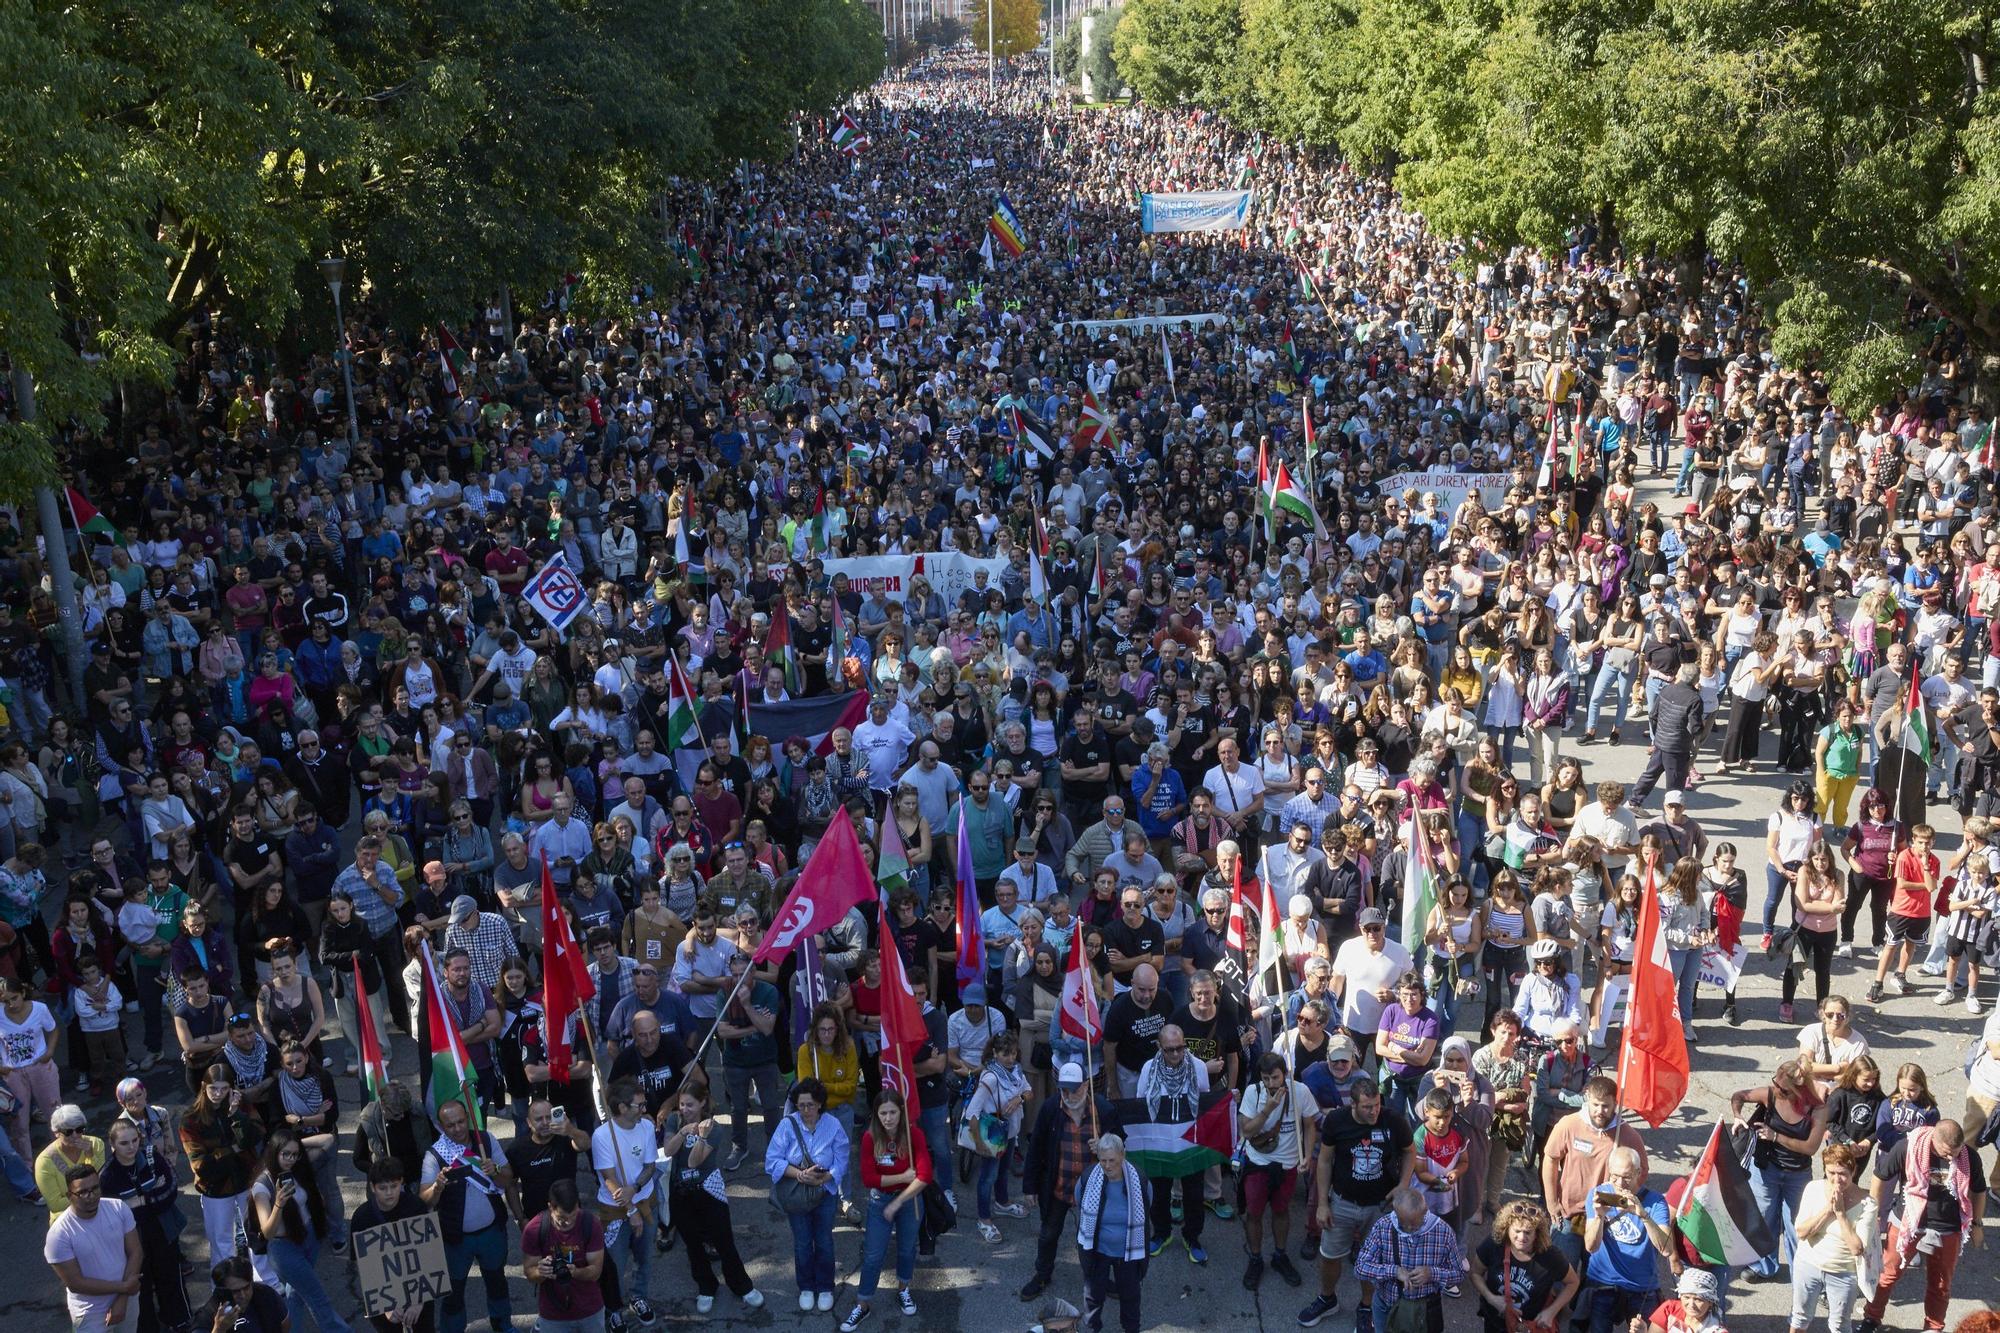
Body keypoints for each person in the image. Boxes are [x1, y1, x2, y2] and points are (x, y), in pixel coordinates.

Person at [1298, 1078, 1415, 1328]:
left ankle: (1366, 1306)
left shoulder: (1393, 1120)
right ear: (1353, 1104)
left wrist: (1403, 1184)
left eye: (1376, 1105)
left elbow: (1409, 1151)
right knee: (1330, 1255)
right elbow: (1325, 1161)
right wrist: (1322, 1203)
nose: (1374, 1111)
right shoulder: (1336, 1121)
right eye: (1367, 1107)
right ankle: (1328, 1298)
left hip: (1380, 1205)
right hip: (1342, 1202)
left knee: (1373, 1260)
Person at [1858, 1119, 1987, 1333]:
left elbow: (1979, 1190)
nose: (1951, 1157)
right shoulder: (1908, 1146)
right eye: (1946, 1153)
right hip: (1908, 1219)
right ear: (1934, 1139)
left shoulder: (1968, 1156)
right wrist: (1872, 1214)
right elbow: (1880, 1177)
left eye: (1955, 1152)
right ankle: (1871, 1317)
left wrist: (1977, 1224)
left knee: (1940, 1284)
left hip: (1948, 1227)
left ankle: (1933, 1327)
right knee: (1888, 1273)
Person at [661, 1081, 762, 1315]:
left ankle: (741, 1286)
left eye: (690, 1105)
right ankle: (706, 1287)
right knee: (693, 1244)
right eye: (681, 1104)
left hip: (707, 1188)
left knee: (724, 1241)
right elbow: (668, 1151)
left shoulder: (713, 1127)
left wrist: (702, 1137)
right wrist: (683, 1131)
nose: (684, 1110)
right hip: (681, 1190)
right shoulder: (675, 1121)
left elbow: (694, 1161)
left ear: (703, 1103)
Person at [1021, 1061, 1118, 1303]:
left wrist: (1105, 1143)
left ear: (1086, 1085)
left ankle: (1100, 1279)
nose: (1069, 1095)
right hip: (1059, 1186)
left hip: (1092, 1192)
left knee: (1094, 1238)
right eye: (1064, 1090)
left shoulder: (1103, 1111)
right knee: (1048, 1234)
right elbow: (1035, 1149)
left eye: (1074, 1089)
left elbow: (1121, 1146)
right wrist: (1030, 1187)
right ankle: (1042, 1275)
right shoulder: (1051, 1109)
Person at [418, 1097, 516, 1333]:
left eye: (461, 1122)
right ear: (441, 1127)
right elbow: (424, 1200)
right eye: (450, 1125)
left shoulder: (486, 1140)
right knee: (453, 1291)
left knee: (497, 1282)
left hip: (491, 1232)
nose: (458, 1128)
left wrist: (496, 1171)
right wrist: (438, 1187)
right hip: (455, 1239)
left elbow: (508, 1178)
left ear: (468, 1119)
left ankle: (502, 1324)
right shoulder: (435, 1155)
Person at [1731, 1056, 1829, 1279]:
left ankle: (1801, 1273)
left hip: (1797, 1174)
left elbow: (1810, 1148)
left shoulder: (1817, 1108)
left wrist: (1776, 1136)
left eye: (1783, 1090)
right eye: (1776, 1083)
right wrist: (1737, 1117)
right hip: (1766, 1169)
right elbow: (1739, 1096)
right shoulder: (1770, 1094)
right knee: (1765, 1218)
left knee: (1797, 1225)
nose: (1777, 1091)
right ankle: (1764, 1265)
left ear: (1799, 1090)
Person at [840, 1089, 929, 1330]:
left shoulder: (914, 1136)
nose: (888, 1118)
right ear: (876, 1115)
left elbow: (924, 1176)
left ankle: (903, 1288)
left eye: (892, 1112)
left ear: (901, 1112)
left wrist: (899, 1201)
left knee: (907, 1249)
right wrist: (902, 1176)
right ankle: (863, 1304)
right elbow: (869, 1178)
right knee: (873, 1255)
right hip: (880, 1201)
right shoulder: (870, 1138)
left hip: (909, 1201)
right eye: (883, 1113)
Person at [249, 1127, 351, 1333]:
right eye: (284, 1154)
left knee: (296, 1295)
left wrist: (295, 1145)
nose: (290, 1159)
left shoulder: (296, 1169)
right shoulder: (262, 1186)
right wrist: (278, 1203)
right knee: (318, 1298)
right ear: (274, 1151)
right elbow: (267, 1232)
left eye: (294, 1155)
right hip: (284, 1250)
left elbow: (328, 1140)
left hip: (309, 1239)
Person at [1238, 1050, 1319, 1290]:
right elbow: (1247, 1132)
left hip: (1287, 1164)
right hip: (1258, 1163)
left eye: (1275, 1077)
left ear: (1285, 1074)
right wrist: (1267, 1110)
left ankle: (1280, 1255)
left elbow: (1309, 1125)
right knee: (1254, 1213)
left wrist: (1306, 1156)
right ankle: (1255, 1258)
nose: (1271, 1084)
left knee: (1281, 1211)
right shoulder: (1253, 1093)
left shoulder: (1300, 1091)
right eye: (1266, 1078)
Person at [765, 1076, 845, 1313]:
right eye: (801, 1106)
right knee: (802, 1243)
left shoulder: (833, 1125)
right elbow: (771, 1161)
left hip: (825, 1192)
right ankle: (806, 1287)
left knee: (823, 1241)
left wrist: (827, 1177)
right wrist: (800, 1175)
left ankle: (825, 1287)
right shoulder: (787, 1125)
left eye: (810, 1105)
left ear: (820, 1103)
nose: (806, 1110)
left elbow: (842, 1159)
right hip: (796, 1193)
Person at [588, 1078, 659, 1328]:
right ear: (621, 1108)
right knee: (614, 1264)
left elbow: (650, 1166)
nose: (644, 1108)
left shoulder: (647, 1127)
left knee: (645, 1257)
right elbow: (609, 1180)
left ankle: (639, 1297)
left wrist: (635, 1188)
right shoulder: (602, 1136)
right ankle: (612, 1308)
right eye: (638, 1105)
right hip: (615, 1210)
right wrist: (630, 1210)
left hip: (646, 1200)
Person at [1583, 1146, 1677, 1333]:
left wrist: (1643, 1215)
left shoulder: (1655, 1201)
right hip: (1603, 1282)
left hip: (1641, 1286)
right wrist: (1600, 1216)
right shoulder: (1600, 1195)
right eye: (1614, 1176)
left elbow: (1666, 1249)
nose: (1619, 1183)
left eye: (1626, 1177)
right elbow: (1591, 1247)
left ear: (1638, 1173)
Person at [43, 1163, 141, 1333]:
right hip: (90, 1313)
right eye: (82, 1192)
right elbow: (76, 1283)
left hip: (127, 1299)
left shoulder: (118, 1208)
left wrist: (123, 1297)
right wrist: (124, 1288)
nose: (91, 1196)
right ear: (69, 1195)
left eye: (95, 1188)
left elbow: (136, 1252)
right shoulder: (59, 1235)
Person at [1353, 1185, 1464, 1333]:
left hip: (1424, 1311)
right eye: (1403, 1222)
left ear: (1425, 1211)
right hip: (1386, 1306)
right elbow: (1360, 1268)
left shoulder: (1443, 1231)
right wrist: (1395, 1271)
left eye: (1414, 1222)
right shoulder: (1383, 1226)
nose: (1409, 1228)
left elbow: (1458, 1274)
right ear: (1395, 1211)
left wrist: (1431, 1273)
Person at [181, 1064, 263, 1264]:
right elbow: (201, 1165)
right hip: (215, 1188)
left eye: (224, 1088)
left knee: (256, 1234)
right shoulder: (191, 1119)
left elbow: (255, 1136)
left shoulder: (241, 1104)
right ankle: (224, 1287)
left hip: (246, 1179)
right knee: (221, 1243)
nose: (218, 1094)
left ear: (232, 1088)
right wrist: (233, 1150)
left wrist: (236, 1115)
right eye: (213, 1088)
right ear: (204, 1087)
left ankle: (266, 1283)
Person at [1791, 1142, 1876, 1333]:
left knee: (1840, 1325)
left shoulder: (1868, 1203)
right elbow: (1801, 1232)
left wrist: (1840, 1214)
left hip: (1843, 1272)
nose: (1837, 1180)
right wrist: (1828, 1210)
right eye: (1831, 1173)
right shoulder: (1813, 1188)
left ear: (1853, 1172)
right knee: (1799, 1317)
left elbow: (1857, 1248)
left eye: (1843, 1174)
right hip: (1808, 1264)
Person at [348, 1159, 436, 1333]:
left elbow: (429, 1254)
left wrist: (419, 1301)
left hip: (419, 1290)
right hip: (383, 1294)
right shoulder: (362, 1217)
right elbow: (363, 1265)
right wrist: (384, 1304)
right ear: (372, 1188)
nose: (389, 1193)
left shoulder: (416, 1207)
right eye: (383, 1188)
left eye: (394, 1186)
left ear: (401, 1182)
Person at [1075, 1133, 1150, 1333]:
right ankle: (1092, 1328)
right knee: (1093, 1297)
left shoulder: (1139, 1180)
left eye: (1112, 1161)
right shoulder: (1088, 1178)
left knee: (1131, 1297)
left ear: (1123, 1156)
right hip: (1098, 1251)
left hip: (1128, 1254)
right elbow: (1079, 1202)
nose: (1107, 1166)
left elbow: (1147, 1205)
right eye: (1103, 1160)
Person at [1470, 1200, 1580, 1333]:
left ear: (1536, 1234)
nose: (1521, 1237)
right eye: (1517, 1231)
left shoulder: (1550, 1256)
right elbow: (1475, 1273)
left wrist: (1551, 1312)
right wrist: (1491, 1299)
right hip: (1494, 1321)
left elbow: (1573, 1282)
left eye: (1528, 1232)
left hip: (1529, 1327)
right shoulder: (1494, 1244)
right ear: (1507, 1228)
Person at [520, 1176, 606, 1333]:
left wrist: (576, 1272)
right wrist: (541, 1272)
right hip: (553, 1313)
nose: (569, 1222)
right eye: (562, 1218)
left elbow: (595, 1272)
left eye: (573, 1216)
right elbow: (529, 1273)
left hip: (590, 1309)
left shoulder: (591, 1224)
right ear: (550, 1207)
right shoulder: (534, 1229)